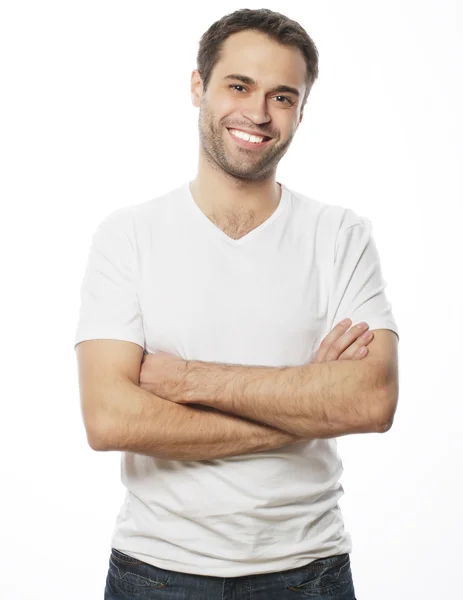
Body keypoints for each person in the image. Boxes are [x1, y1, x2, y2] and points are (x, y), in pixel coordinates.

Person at [74, 8, 399, 599]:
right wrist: (305, 404)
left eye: (282, 96)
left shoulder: (341, 235)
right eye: (239, 86)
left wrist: (187, 379)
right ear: (198, 86)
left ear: (303, 110)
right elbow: (110, 418)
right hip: (155, 573)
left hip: (309, 572)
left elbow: (371, 400)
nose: (257, 113)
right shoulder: (128, 235)